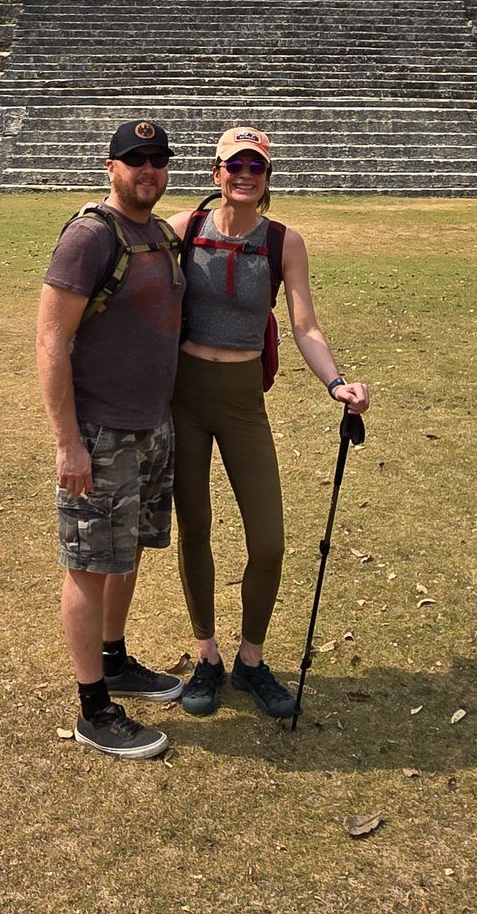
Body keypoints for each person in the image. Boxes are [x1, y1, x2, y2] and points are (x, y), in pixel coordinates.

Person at [166, 126, 371, 718]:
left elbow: (305, 325)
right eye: (234, 165)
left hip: (241, 400)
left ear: (267, 176)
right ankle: (206, 654)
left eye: (255, 166)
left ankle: (250, 660)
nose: (244, 175)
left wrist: (337, 382)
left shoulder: (284, 241)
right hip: (184, 393)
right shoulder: (184, 230)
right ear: (216, 173)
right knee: (196, 529)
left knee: (269, 540)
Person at [36, 120, 189, 759]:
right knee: (89, 563)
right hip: (100, 433)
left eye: (157, 160)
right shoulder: (89, 237)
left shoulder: (155, 233)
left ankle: (116, 658)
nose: (147, 170)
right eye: (135, 160)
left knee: (126, 554)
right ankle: (93, 707)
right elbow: (51, 340)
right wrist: (68, 442)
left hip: (152, 427)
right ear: (110, 167)